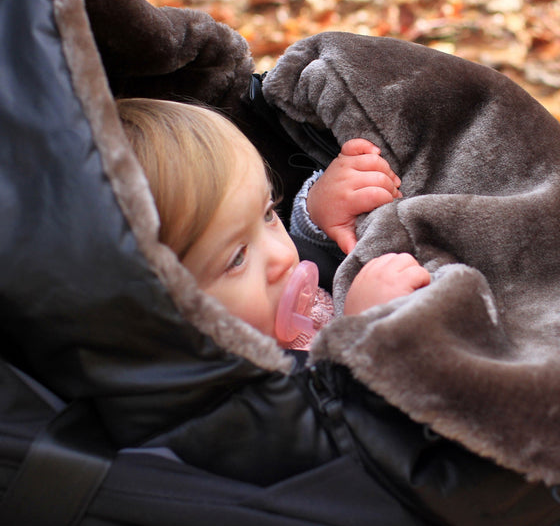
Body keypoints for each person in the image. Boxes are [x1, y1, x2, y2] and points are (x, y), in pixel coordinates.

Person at [117, 97, 430, 348]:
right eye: (237, 258)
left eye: (267, 214)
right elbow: (324, 421)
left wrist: (317, 217)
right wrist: (361, 337)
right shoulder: (234, 396)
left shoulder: (275, 293)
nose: (283, 256)